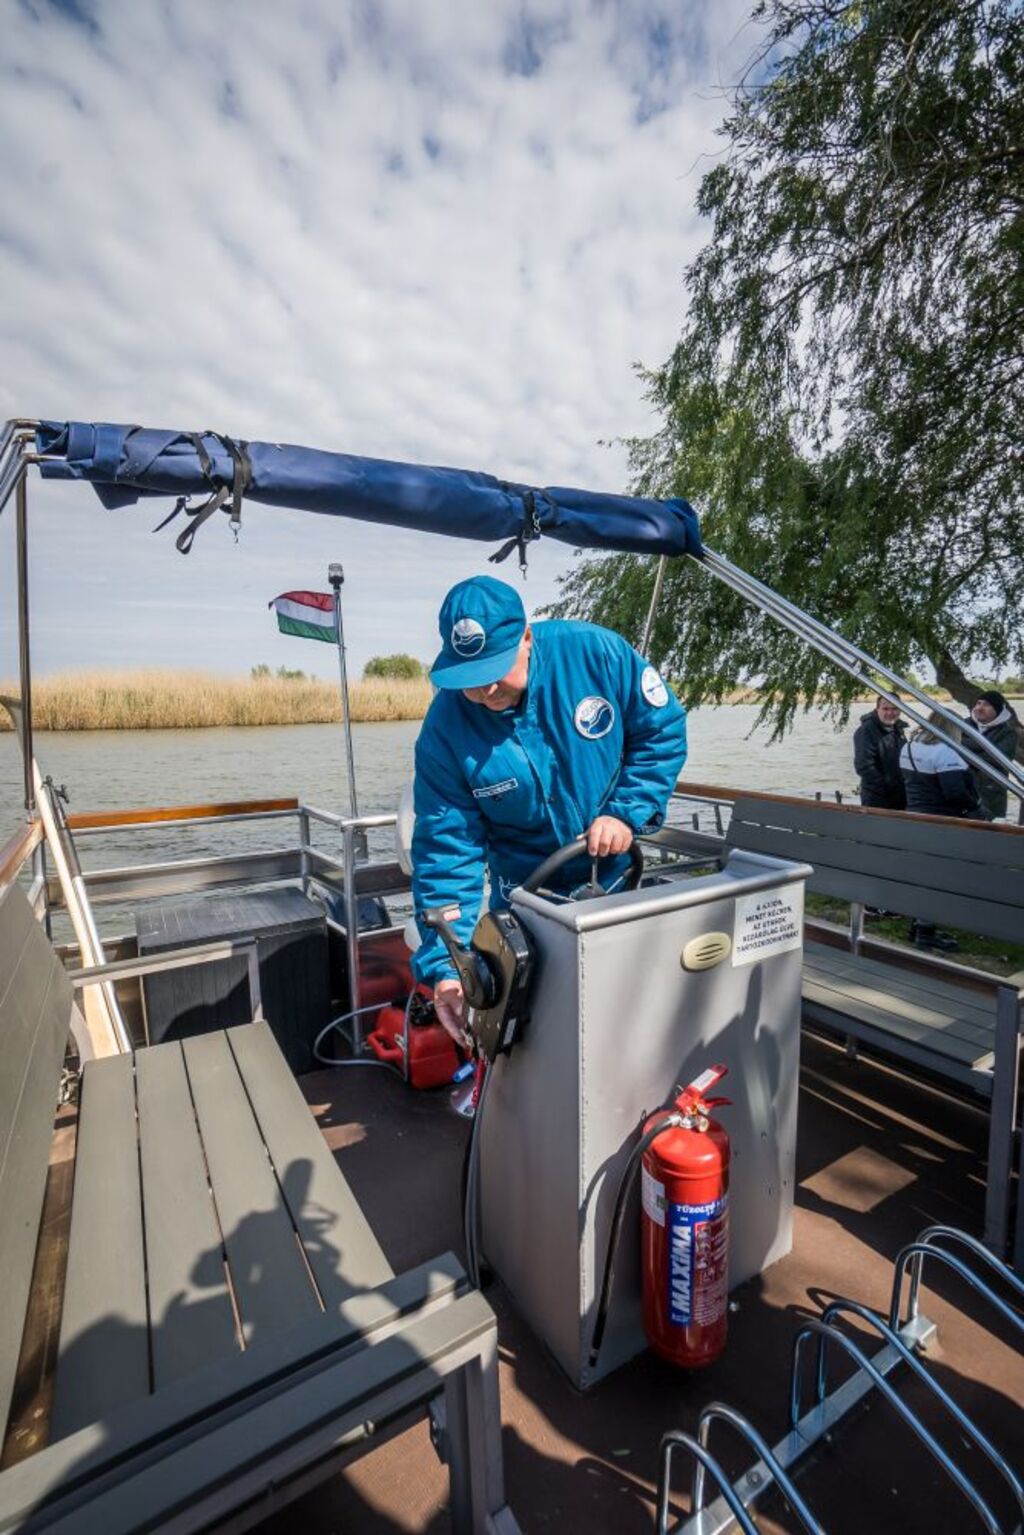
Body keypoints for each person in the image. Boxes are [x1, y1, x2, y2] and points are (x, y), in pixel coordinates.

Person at [411, 575, 688, 1041]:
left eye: (497, 669)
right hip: (524, 903)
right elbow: (446, 849)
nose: (487, 688)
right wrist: (448, 967)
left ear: (526, 636)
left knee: (628, 1023)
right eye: (471, 679)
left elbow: (660, 734)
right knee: (534, 1034)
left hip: (614, 882)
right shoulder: (444, 731)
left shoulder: (597, 654)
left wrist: (625, 811)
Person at [899, 713, 980, 950]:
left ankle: (918, 923)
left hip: (914, 817)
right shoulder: (945, 753)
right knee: (937, 877)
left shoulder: (909, 747)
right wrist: (976, 806)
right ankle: (926, 930)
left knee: (923, 875)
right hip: (940, 822)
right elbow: (954, 792)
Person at [967, 689, 1020, 821]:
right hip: (965, 791)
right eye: (978, 703)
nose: (979, 708)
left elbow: (996, 759)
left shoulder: (1008, 733)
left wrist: (968, 749)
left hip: (991, 794)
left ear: (997, 710)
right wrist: (985, 747)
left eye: (986, 704)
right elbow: (952, 750)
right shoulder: (963, 725)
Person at [853, 695, 907, 809]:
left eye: (894, 709)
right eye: (885, 709)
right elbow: (863, 767)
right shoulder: (866, 731)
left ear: (900, 710)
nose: (890, 713)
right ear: (877, 709)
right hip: (878, 799)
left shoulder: (898, 728)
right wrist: (887, 787)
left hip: (900, 795)